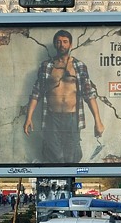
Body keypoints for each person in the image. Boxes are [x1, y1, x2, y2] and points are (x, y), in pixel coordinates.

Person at [23, 29, 105, 163]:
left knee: (72, 155)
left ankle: (70, 181)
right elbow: (36, 93)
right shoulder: (46, 66)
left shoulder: (79, 66)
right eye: (59, 42)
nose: (62, 45)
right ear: (55, 44)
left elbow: (89, 94)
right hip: (51, 117)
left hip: (72, 117)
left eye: (65, 42)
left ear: (70, 45)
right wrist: (29, 118)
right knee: (53, 155)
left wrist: (98, 121)